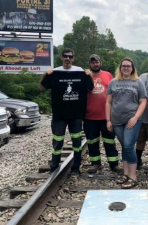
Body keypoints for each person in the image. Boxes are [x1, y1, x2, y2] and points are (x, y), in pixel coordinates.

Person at [39, 48, 94, 176]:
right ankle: (54, 167)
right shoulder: (55, 72)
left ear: (73, 58)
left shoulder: (80, 71)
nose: (68, 59)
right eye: (65, 56)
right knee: (57, 142)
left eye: (70, 56)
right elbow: (41, 87)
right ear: (61, 58)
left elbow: (90, 88)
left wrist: (89, 75)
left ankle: (76, 168)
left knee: (77, 143)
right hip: (59, 115)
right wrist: (45, 75)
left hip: (76, 114)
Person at [106, 58, 147, 189]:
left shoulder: (138, 82)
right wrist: (108, 120)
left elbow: (143, 102)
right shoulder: (113, 82)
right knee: (124, 146)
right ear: (120, 67)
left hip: (132, 119)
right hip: (117, 120)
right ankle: (125, 173)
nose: (126, 68)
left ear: (132, 68)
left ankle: (133, 176)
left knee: (129, 146)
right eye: (123, 66)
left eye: (128, 66)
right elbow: (108, 102)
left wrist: (135, 118)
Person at [83, 54, 122, 174]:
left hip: (107, 116)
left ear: (100, 63)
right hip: (90, 116)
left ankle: (114, 164)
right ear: (90, 64)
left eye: (97, 62)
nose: (95, 64)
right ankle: (95, 164)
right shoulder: (85, 76)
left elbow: (115, 93)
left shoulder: (108, 75)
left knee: (110, 141)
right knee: (92, 142)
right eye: (93, 62)